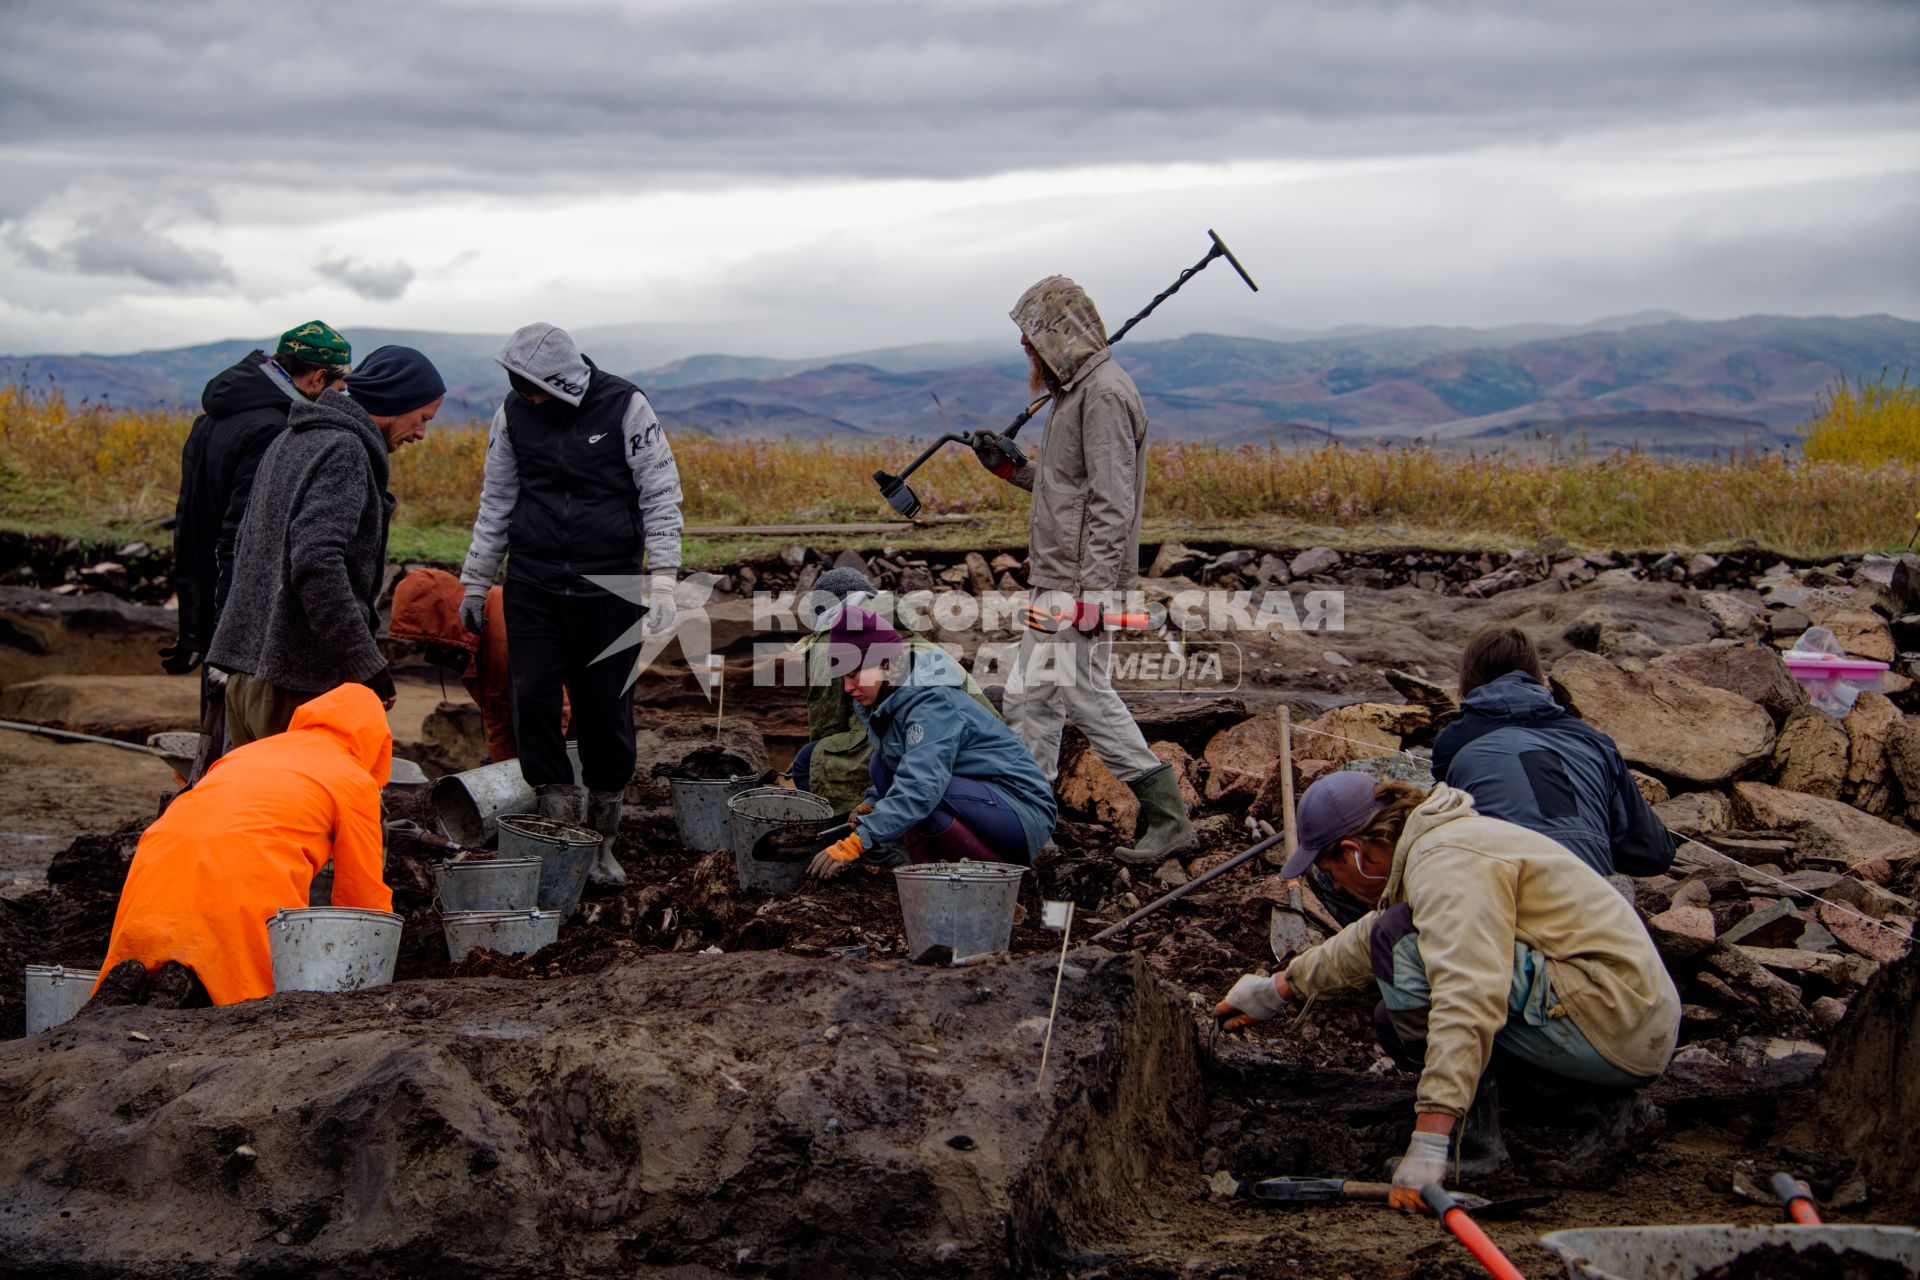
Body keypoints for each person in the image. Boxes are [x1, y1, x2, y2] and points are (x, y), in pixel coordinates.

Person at [1214, 772, 1680, 1209]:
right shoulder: (1438, 846)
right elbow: (1366, 938)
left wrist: (1430, 1140)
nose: (1335, 885)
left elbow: (1467, 996)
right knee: (1390, 1009)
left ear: (1358, 852)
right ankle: (1575, 1110)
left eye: (1332, 872)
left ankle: (1470, 1145)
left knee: (1402, 945)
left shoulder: (1448, 862)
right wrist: (1278, 989)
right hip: (1614, 1015)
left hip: (1613, 1022)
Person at [969, 275, 1195, 864]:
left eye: (1032, 338)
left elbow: (1112, 502)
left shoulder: (1105, 396)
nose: (1026, 350)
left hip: (1080, 585)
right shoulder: (1074, 394)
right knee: (1028, 698)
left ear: (1060, 336)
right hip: (1056, 580)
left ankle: (1169, 817)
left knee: (1086, 695)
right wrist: (1011, 471)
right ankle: (1028, 820)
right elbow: (1068, 489)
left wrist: (1096, 595)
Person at [457, 323, 684, 887]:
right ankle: (561, 830)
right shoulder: (513, 415)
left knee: (605, 712)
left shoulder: (625, 405)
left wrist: (663, 580)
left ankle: (603, 839)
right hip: (534, 583)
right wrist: (476, 582)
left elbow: (660, 490)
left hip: (609, 587)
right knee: (530, 699)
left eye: (535, 388)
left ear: (561, 380)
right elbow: (497, 499)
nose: (527, 397)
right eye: (519, 387)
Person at [90, 684, 394, 1008]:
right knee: (244, 1000)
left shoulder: (247, 752)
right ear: (376, 741)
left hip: (157, 860)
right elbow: (361, 895)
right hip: (245, 880)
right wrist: (369, 969)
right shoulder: (353, 780)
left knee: (145, 958)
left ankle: (144, 979)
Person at [207, 346, 446, 746]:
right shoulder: (345, 451)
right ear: (395, 402)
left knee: (256, 805)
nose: (421, 433)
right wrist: (365, 663)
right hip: (296, 686)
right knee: (303, 807)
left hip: (249, 676)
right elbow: (316, 563)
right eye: (422, 418)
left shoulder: (291, 439)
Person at [163, 321, 353, 680]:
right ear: (317, 378)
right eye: (338, 390)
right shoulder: (276, 430)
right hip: (240, 625)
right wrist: (233, 637)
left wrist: (194, 627)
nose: (339, 401)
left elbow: (190, 522)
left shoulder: (213, 418)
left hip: (210, 602)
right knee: (244, 730)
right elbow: (244, 538)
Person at [808, 606, 1056, 877]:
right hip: (985, 803)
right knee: (881, 765)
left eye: (854, 674)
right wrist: (873, 802)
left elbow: (921, 786)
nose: (847, 688)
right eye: (843, 677)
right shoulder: (889, 702)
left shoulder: (932, 706)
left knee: (926, 799)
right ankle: (924, 875)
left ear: (886, 663)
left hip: (1022, 814)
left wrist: (859, 841)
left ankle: (992, 875)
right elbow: (902, 765)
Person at [1432, 625, 1675, 878]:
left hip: (1504, 893)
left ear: (1468, 678)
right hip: (1591, 897)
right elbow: (1655, 854)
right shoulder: (1592, 740)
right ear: (1538, 676)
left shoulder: (1453, 742)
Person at [790, 567, 999, 819]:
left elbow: (826, 723)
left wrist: (822, 761)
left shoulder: (832, 640)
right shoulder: (904, 632)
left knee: (808, 761)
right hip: (983, 749)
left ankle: (840, 833)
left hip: (927, 746)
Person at [388, 566, 569, 764]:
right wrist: (504, 769)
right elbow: (499, 717)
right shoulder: (470, 644)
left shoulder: (506, 637)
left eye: (430, 641)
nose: (429, 648)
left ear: (446, 622)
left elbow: (554, 710)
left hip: (584, 722)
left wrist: (543, 774)